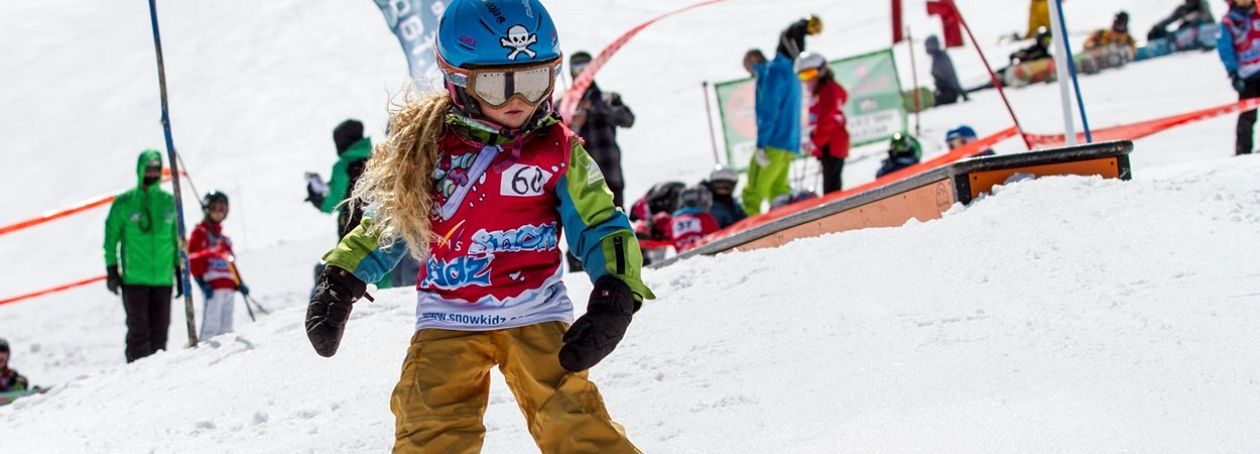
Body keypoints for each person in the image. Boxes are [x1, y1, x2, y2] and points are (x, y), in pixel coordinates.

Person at [303, 1, 653, 451]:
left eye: (533, 80)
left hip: (534, 310)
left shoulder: (558, 151)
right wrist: (341, 278)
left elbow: (602, 223)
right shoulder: (427, 150)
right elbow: (389, 223)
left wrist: (616, 292)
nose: (518, 101)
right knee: (430, 424)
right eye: (495, 85)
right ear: (458, 80)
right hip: (449, 314)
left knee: (571, 417)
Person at [104, 149, 180, 363]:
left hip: (163, 278)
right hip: (135, 278)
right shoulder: (124, 202)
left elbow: (177, 239)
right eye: (148, 169)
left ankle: (157, 381)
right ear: (140, 170)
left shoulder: (169, 202)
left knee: (160, 333)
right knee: (139, 332)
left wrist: (179, 269)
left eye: (156, 170)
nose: (152, 174)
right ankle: (135, 378)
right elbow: (111, 237)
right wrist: (111, 269)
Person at [743, 15, 823, 215]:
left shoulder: (772, 73)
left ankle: (747, 240)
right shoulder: (792, 72)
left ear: (754, 60)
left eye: (747, 65)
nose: (748, 71)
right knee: (779, 192)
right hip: (789, 143)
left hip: (773, 143)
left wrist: (762, 145)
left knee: (753, 194)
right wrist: (804, 28)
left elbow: (769, 112)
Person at [568, 51, 635, 209]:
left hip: (609, 174)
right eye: (578, 68)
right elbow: (556, 140)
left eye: (587, 67)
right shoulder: (564, 104)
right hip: (579, 181)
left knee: (616, 228)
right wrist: (575, 125)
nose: (582, 72)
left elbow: (628, 120)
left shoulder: (608, 98)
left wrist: (596, 107)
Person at [188, 191, 247, 340]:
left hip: (228, 285)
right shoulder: (200, 233)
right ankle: (204, 354)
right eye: (216, 208)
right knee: (211, 324)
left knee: (226, 326)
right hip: (213, 285)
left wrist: (239, 282)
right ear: (208, 209)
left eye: (223, 209)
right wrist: (200, 280)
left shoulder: (224, 239)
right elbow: (192, 257)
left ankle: (226, 355)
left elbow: (231, 262)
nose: (219, 213)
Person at [306, 119, 373, 239]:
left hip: (352, 230)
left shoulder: (343, 166)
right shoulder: (375, 157)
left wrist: (315, 195)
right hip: (377, 226)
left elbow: (332, 203)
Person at [796, 51, 850, 194]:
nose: (807, 80)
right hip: (829, 146)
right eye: (803, 76)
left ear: (822, 71)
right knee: (831, 184)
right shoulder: (821, 92)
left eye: (810, 74)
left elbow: (827, 120)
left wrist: (816, 142)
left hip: (831, 146)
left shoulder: (828, 90)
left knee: (831, 187)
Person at [1219, 0, 1260, 156]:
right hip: (1247, 76)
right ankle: (1243, 151)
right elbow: (1225, 49)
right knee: (1247, 115)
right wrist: (1233, 74)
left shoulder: (1257, 13)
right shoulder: (1230, 21)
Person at [669, 186, 719, 253]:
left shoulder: (672, 222)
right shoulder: (706, 217)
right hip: (703, 253)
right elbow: (718, 237)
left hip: (682, 258)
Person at [926, 35, 969, 106]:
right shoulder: (936, 58)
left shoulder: (941, 58)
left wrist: (962, 93)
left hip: (949, 94)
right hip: (943, 92)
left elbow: (952, 77)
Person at [1149, 0, 1214, 41]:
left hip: (1205, 33)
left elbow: (1204, 16)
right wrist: (1156, 28)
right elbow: (1170, 19)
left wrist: (1189, 20)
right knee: (1165, 33)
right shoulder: (1183, 9)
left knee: (1196, 26)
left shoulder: (1201, 4)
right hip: (1185, 37)